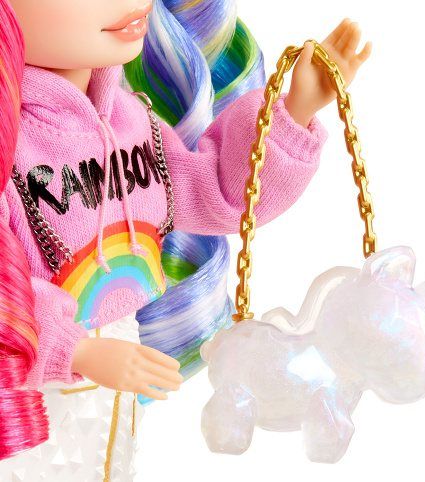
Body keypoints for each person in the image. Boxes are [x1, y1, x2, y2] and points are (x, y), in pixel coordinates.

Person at [0, 1, 370, 480]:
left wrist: (294, 111)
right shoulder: (13, 142)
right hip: (26, 386)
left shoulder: (128, 118)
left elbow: (211, 189)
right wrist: (75, 350)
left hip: (116, 368)